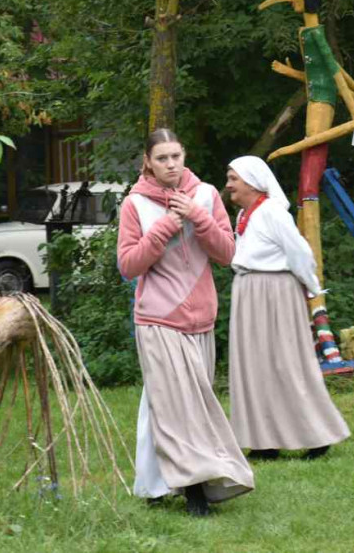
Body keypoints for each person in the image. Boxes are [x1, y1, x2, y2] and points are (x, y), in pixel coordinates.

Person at [117, 129, 254, 516]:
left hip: (202, 320)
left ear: (184, 155)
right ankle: (196, 491)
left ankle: (153, 485)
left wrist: (197, 216)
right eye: (161, 158)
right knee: (180, 407)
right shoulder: (135, 205)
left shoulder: (207, 195)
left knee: (165, 404)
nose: (171, 164)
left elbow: (228, 253)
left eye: (175, 156)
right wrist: (163, 228)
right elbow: (128, 266)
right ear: (148, 162)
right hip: (157, 319)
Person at [224, 156, 351, 460]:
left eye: (233, 178)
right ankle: (264, 441)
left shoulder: (271, 213)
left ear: (253, 182)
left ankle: (317, 435)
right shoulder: (246, 214)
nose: (228, 184)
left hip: (275, 292)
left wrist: (311, 289)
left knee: (287, 364)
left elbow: (300, 253)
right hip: (249, 291)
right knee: (254, 366)